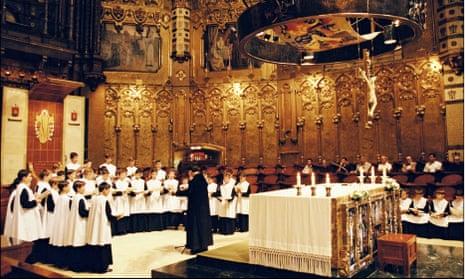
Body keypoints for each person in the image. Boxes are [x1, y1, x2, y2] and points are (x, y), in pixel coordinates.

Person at [8, 169, 45, 264]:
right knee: (28, 239)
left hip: (27, 216)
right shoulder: (23, 188)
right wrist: (36, 201)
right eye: (29, 176)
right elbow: (25, 204)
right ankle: (28, 261)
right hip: (26, 217)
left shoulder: (22, 188)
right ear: (24, 178)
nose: (31, 178)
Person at [85, 182, 122, 273]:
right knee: (103, 245)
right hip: (102, 226)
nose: (109, 191)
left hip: (95, 226)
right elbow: (108, 214)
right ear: (104, 189)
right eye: (108, 189)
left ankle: (94, 267)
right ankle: (103, 267)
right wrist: (117, 217)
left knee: (95, 245)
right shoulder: (104, 200)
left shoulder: (94, 199)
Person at [183, 165, 213, 254]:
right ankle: (204, 246)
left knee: (195, 227)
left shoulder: (194, 181)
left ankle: (196, 247)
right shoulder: (203, 180)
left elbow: (190, 193)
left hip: (195, 209)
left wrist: (179, 192)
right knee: (203, 226)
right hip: (203, 208)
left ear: (191, 172)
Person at [66, 180, 90, 272]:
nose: (85, 189)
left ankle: (74, 265)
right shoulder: (80, 198)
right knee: (80, 244)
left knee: (75, 244)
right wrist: (91, 212)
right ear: (78, 188)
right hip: (80, 223)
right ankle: (79, 266)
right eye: (83, 187)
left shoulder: (75, 197)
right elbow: (82, 212)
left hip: (75, 223)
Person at [214, 168, 237, 235]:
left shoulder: (233, 184)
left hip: (230, 202)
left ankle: (230, 230)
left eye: (227, 177)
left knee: (229, 215)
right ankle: (223, 230)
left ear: (229, 177)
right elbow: (218, 192)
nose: (225, 179)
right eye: (224, 177)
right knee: (223, 215)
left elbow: (234, 193)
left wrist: (229, 199)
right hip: (222, 201)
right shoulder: (221, 184)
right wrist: (219, 197)